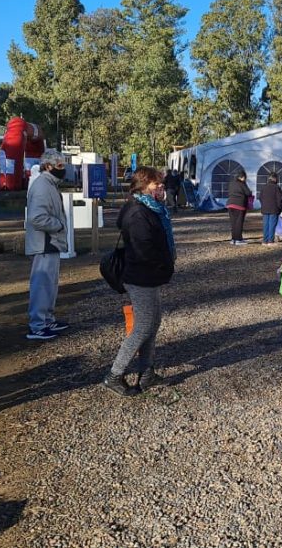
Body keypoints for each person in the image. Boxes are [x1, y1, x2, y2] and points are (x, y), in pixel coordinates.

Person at [104, 166, 176, 397]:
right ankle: (114, 374)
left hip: (150, 275)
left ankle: (147, 372)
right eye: (157, 184)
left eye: (162, 184)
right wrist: (162, 264)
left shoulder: (150, 207)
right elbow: (143, 249)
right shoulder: (137, 212)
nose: (161, 188)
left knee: (153, 323)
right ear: (144, 186)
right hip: (141, 276)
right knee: (143, 326)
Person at [25, 150, 70, 340]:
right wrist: (58, 225)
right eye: (59, 166)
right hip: (45, 242)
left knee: (50, 284)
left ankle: (46, 319)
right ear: (48, 166)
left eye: (63, 165)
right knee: (42, 284)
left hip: (50, 242)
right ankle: (37, 325)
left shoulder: (49, 184)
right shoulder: (43, 186)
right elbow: (36, 217)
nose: (63, 169)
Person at [226, 170, 252, 246]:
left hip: (230, 204)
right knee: (239, 223)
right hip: (239, 205)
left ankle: (233, 239)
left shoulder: (231, 183)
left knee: (233, 223)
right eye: (245, 178)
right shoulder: (242, 184)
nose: (245, 179)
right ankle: (238, 239)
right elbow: (248, 193)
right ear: (242, 177)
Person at [259, 173, 282, 245]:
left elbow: (260, 198)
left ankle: (265, 240)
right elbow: (280, 199)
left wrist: (263, 205)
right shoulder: (276, 187)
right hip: (274, 209)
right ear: (275, 179)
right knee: (272, 225)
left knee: (266, 225)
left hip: (265, 208)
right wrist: (281, 208)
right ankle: (270, 241)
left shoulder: (264, 187)